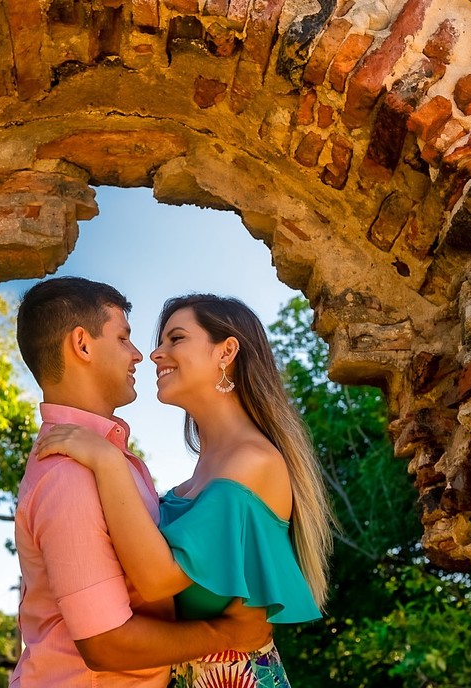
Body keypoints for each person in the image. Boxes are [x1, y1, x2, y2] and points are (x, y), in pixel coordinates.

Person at [33, 293, 334, 687]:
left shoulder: (254, 463)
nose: (155, 354)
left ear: (226, 352)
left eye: (175, 339)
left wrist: (107, 462)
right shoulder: (195, 481)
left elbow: (158, 580)